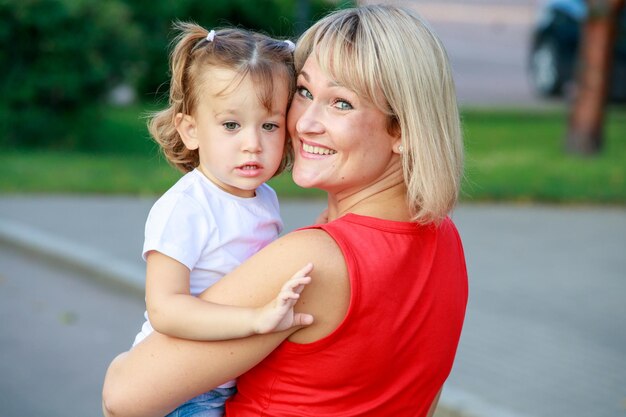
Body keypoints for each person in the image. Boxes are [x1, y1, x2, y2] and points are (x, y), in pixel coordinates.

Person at [102, 5, 468, 417]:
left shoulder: (312, 262)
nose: (305, 122)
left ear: (402, 130)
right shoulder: (444, 240)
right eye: (305, 92)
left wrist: (122, 364)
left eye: (342, 103)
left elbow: (123, 396)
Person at [111, 23, 314, 417]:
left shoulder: (265, 199)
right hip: (180, 392)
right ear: (191, 130)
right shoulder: (187, 207)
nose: (252, 142)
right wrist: (254, 321)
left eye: (269, 125)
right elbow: (165, 309)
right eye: (231, 125)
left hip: (227, 381)